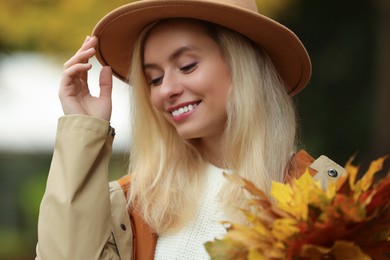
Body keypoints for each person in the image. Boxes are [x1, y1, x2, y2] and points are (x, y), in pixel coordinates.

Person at [35, 0, 346, 259]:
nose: (166, 90)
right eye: (154, 79)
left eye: (186, 66)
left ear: (242, 66)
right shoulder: (134, 204)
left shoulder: (329, 199)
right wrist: (84, 130)